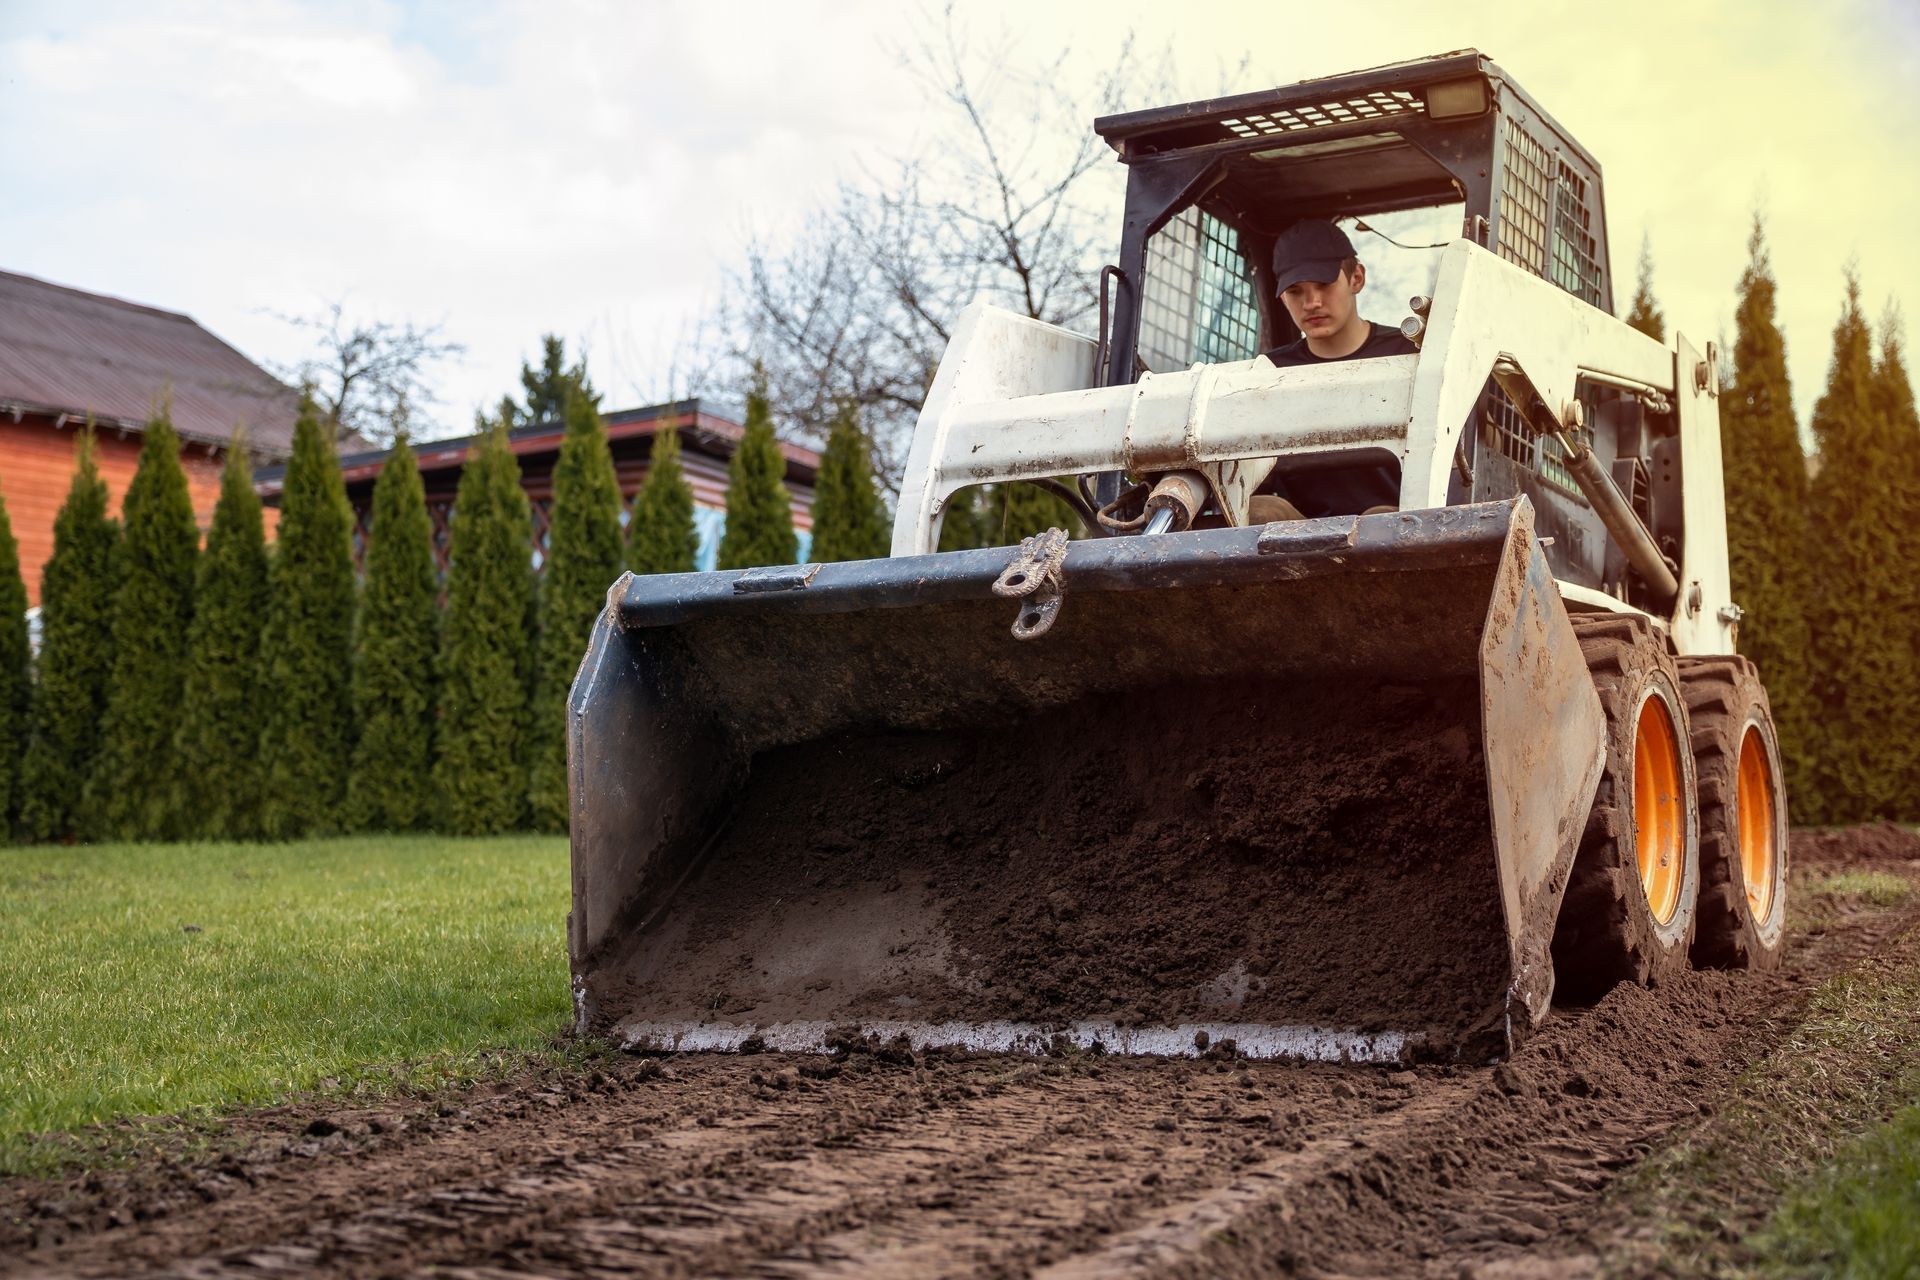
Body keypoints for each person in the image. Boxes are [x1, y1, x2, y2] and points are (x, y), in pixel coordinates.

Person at [1250, 218, 1414, 522]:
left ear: (1357, 278)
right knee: (1259, 511)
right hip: (1301, 532)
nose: (1311, 302)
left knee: (1383, 521)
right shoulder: (1269, 374)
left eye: (1324, 285)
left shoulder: (1409, 356)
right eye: (1296, 291)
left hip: (1396, 522)